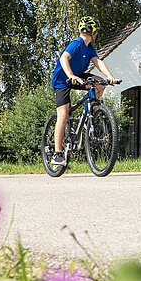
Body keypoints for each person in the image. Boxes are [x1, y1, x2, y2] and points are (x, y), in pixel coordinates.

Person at [50, 16, 118, 168]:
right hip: (62, 81)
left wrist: (109, 76)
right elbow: (63, 59)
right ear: (93, 32)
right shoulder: (77, 44)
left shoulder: (90, 48)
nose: (97, 34)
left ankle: (94, 109)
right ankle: (57, 153)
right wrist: (71, 76)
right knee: (63, 114)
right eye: (96, 31)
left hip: (79, 76)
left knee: (100, 84)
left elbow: (98, 62)